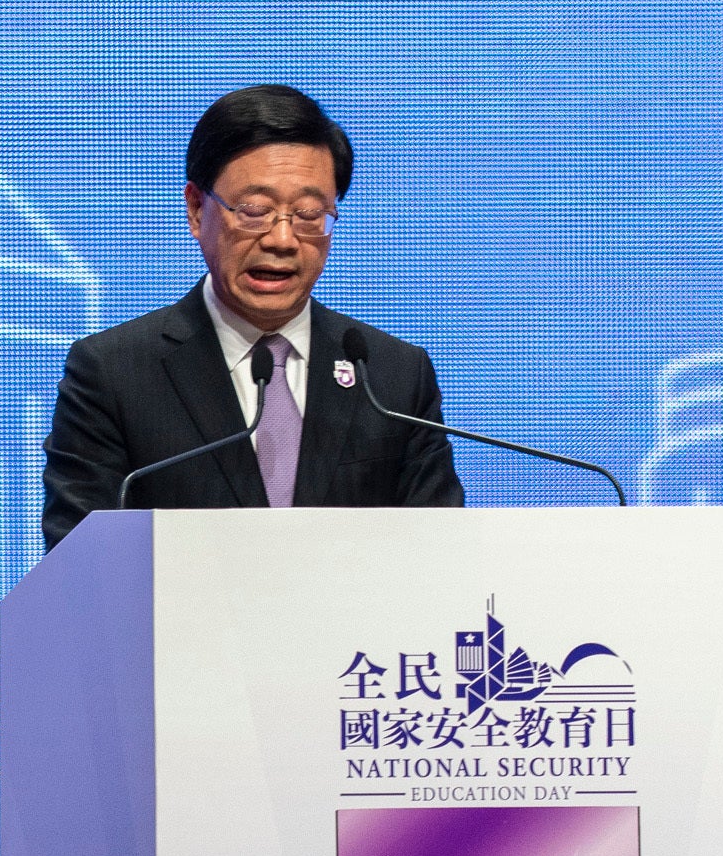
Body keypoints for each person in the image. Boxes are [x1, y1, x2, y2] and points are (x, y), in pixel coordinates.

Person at [40, 83, 464, 547]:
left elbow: (440, 560)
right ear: (197, 210)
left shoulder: (393, 377)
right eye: (256, 210)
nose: (283, 239)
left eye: (308, 213)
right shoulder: (114, 373)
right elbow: (78, 568)